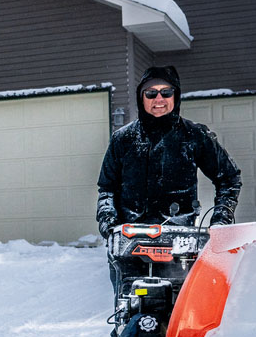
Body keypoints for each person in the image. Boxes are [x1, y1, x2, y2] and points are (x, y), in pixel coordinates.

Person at [96, 65, 241, 237]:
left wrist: (220, 221)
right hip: (128, 242)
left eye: (166, 92)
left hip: (179, 242)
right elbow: (107, 188)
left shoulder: (195, 135)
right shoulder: (122, 139)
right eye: (151, 93)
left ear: (176, 96)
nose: (159, 99)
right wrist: (108, 221)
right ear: (141, 97)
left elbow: (229, 179)